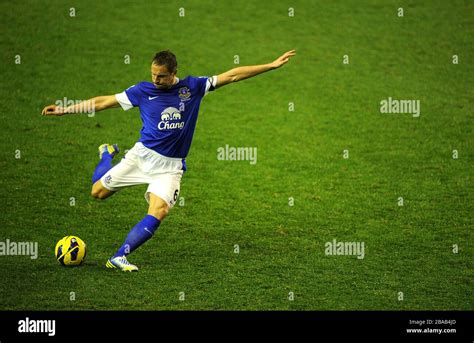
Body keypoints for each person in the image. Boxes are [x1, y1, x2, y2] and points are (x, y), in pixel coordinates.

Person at [41, 49, 296, 271]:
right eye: (153, 74)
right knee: (97, 193)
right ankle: (107, 153)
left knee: (159, 210)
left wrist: (270, 65)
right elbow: (104, 102)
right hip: (141, 158)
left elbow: (232, 75)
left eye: (161, 75)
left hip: (170, 168)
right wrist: (66, 109)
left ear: (174, 72)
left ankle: (119, 256)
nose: (156, 79)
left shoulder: (192, 88)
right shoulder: (142, 91)